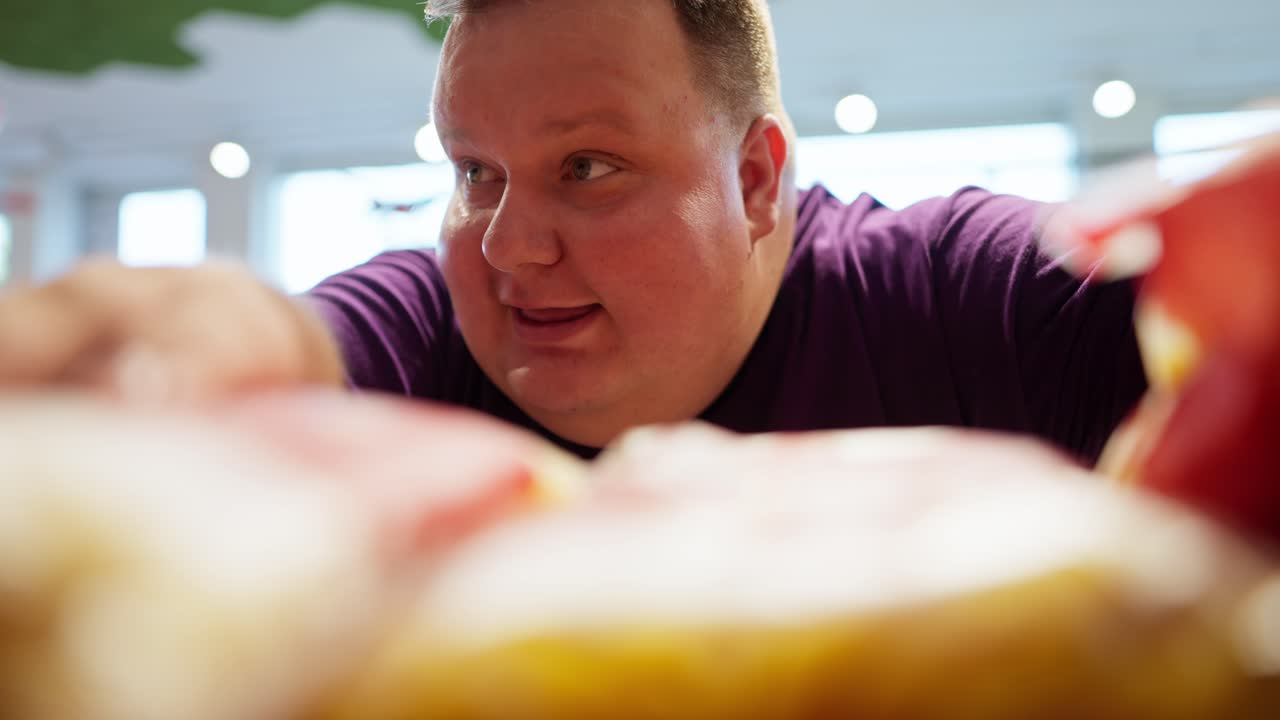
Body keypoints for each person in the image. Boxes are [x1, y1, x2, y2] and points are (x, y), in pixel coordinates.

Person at [3, 0, 1269, 464]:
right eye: (472, 173)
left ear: (758, 179)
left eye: (588, 168)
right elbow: (295, 350)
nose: (505, 247)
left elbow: (1204, 330)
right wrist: (175, 340)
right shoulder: (430, 327)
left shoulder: (968, 293)